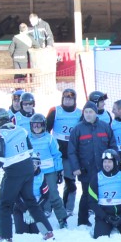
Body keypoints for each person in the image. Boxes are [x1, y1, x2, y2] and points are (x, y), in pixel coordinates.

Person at [0, 108, 54, 242]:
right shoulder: (21, 130)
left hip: (13, 172)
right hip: (28, 169)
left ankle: (5, 236)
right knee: (31, 201)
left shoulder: (0, 136)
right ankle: (47, 232)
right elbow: (30, 150)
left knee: (4, 204)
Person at [68, 101, 117, 227]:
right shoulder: (77, 129)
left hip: (103, 168)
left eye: (91, 112)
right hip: (86, 169)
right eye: (86, 112)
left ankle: (106, 217)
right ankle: (83, 220)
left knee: (104, 192)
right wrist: (76, 167)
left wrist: (113, 163)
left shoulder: (105, 127)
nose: (88, 114)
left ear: (96, 113)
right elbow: (72, 151)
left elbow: (112, 146)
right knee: (86, 194)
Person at [46, 88, 83, 216]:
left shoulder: (80, 113)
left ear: (74, 100)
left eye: (71, 99)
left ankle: (68, 208)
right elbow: (46, 130)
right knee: (51, 181)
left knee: (70, 182)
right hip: (55, 153)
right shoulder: (55, 111)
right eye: (66, 98)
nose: (68, 101)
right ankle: (47, 207)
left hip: (71, 153)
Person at [28, 113, 70, 229]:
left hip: (49, 171)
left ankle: (62, 218)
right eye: (34, 125)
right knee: (34, 194)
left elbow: (56, 155)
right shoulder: (28, 139)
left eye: (39, 125)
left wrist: (59, 170)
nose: (37, 127)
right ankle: (35, 218)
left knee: (53, 194)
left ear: (44, 125)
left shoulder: (49, 138)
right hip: (34, 172)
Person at [89, 149, 121, 238]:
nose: (106, 165)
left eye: (109, 162)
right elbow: (92, 202)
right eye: (105, 162)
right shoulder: (97, 178)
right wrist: (105, 217)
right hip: (104, 217)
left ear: (115, 162)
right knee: (100, 238)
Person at [13, 160, 50, 235]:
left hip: (36, 207)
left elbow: (45, 196)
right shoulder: (18, 175)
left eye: (36, 163)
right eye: (31, 163)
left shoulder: (41, 177)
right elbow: (15, 195)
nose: (33, 166)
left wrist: (34, 210)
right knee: (22, 233)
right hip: (21, 207)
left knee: (35, 232)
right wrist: (25, 210)